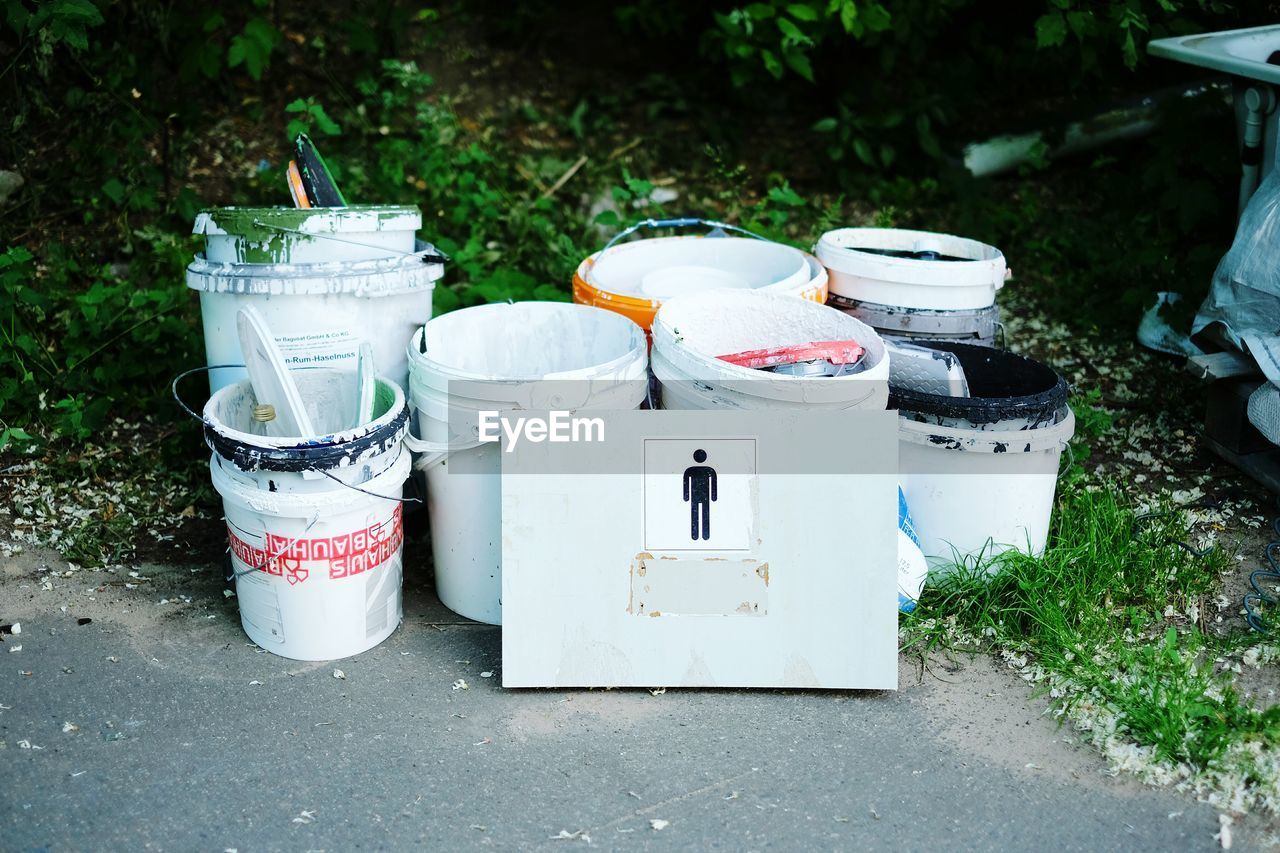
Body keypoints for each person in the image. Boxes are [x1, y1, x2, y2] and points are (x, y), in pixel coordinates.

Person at [682, 449, 717, 541]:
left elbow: (686, 482)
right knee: (701, 514)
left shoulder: (691, 470)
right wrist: (714, 496)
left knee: (698, 514)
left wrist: (686, 496)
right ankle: (701, 535)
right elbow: (713, 482)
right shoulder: (709, 470)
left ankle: (698, 535)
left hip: (698, 495)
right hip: (703, 495)